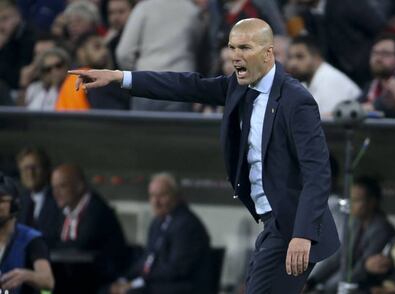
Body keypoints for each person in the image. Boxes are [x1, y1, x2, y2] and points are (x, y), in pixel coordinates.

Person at [69, 18, 340, 293]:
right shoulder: (239, 86)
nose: (236, 57)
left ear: (268, 53)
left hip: (293, 227)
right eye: (232, 48)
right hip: (272, 224)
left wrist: (302, 235)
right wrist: (119, 77)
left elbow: (317, 173)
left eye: (244, 48)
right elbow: (185, 86)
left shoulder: (297, 100)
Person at [109, 172, 210, 294]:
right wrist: (124, 280)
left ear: (177, 196)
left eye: (162, 195)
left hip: (178, 287)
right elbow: (147, 260)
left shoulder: (187, 225)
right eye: (152, 196)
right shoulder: (157, 222)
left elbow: (176, 269)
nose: (155, 202)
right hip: (156, 283)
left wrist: (135, 284)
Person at [307, 177, 395, 292]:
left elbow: (364, 267)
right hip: (349, 278)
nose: (351, 204)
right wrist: (312, 281)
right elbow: (340, 256)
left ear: (372, 202)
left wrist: (332, 287)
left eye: (357, 200)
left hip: (368, 284)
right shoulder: (355, 223)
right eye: (351, 199)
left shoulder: (381, 229)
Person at [50, 164, 128, 293]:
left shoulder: (96, 210)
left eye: (62, 186)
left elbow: (81, 245)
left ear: (80, 186)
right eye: (54, 187)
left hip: (102, 278)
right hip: (76, 277)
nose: (56, 193)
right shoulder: (63, 211)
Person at [0, 172, 54, 294]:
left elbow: (48, 281)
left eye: (1, 200)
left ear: (14, 205)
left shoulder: (31, 239)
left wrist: (26, 275)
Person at [286, 35, 361, 118]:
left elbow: (328, 125)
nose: (292, 64)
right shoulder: (305, 82)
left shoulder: (330, 80)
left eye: (300, 57)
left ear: (317, 58)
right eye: (290, 57)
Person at [358, 33, 395, 118]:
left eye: (385, 54)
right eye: (375, 53)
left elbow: (380, 105)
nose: (378, 58)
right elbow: (358, 104)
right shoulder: (372, 84)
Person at [16, 147, 61, 248]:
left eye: (35, 167)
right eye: (25, 168)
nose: (30, 173)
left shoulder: (59, 200)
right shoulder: (18, 203)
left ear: (46, 170)